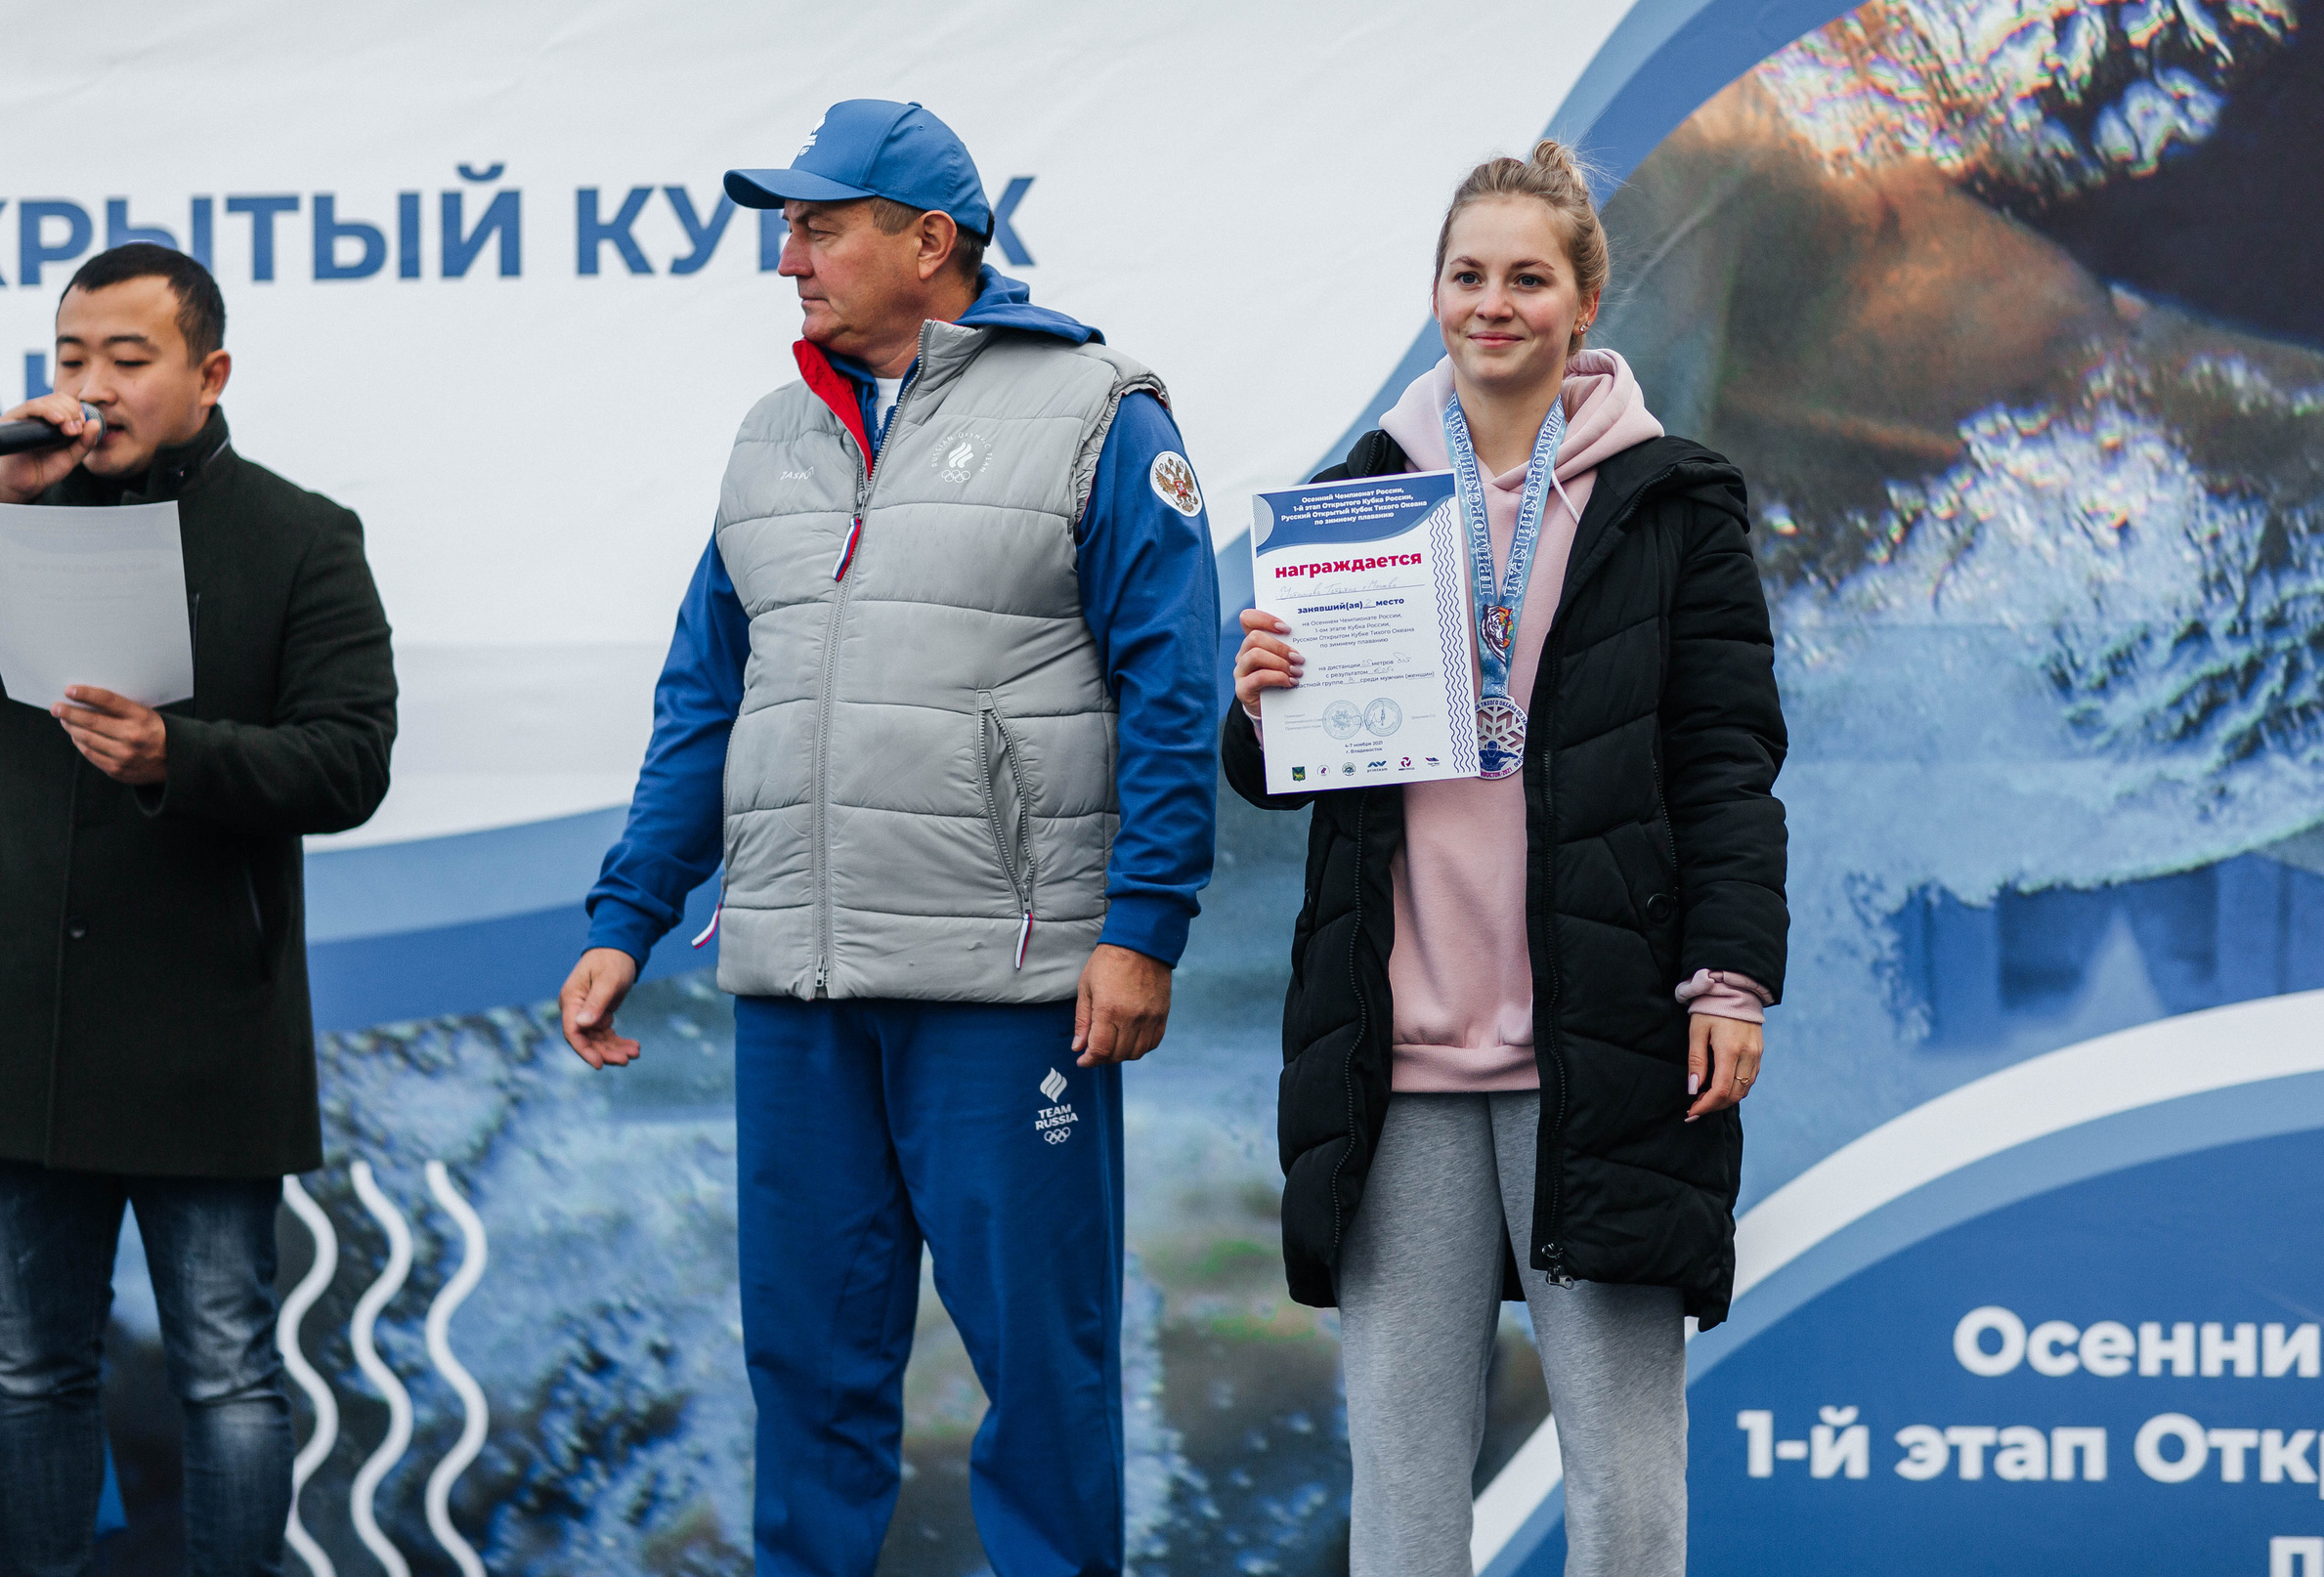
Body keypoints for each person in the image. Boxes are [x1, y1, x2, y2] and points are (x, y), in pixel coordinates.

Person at [557, 99, 1222, 1577]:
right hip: (801, 991)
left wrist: (1141, 926)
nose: (788, 256)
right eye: (787, 227)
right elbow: (703, 700)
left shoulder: (1102, 410)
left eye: (819, 225)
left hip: (1010, 988)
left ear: (931, 243)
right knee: (806, 1372)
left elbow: (1174, 686)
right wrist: (626, 917)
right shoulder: (769, 437)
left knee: (1044, 1378)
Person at [1225, 143, 1787, 1576]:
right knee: (1406, 1488)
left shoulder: (1674, 500)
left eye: (1528, 277)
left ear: (1585, 301)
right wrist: (1261, 702)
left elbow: (1727, 761)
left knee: (1627, 1485)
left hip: (1598, 1047)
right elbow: (1285, 778)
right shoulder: (1357, 497)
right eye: (1468, 276)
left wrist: (1731, 977)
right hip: (1395, 1061)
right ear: (1433, 297)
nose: (1494, 304)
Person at [0, 242, 398, 1576]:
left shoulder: (298, 535)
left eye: (128, 359)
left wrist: (185, 758)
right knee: (26, 1372)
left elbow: (351, 762)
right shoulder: (9, 510)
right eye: (69, 359)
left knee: (228, 1375)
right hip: (23, 1033)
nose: (91, 388)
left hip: (204, 1033)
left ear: (210, 372)